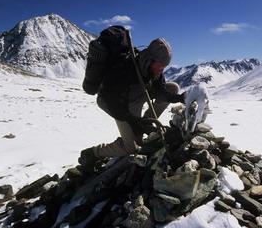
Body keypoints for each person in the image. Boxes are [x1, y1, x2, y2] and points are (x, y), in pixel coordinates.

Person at [78, 38, 184, 170]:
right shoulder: (125, 70)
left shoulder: (153, 69)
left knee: (172, 88)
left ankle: (147, 120)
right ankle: (94, 152)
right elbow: (114, 105)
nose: (161, 70)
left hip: (137, 95)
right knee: (132, 147)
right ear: (150, 59)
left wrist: (180, 98)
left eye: (164, 67)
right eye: (160, 65)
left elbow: (160, 91)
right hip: (116, 103)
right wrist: (135, 122)